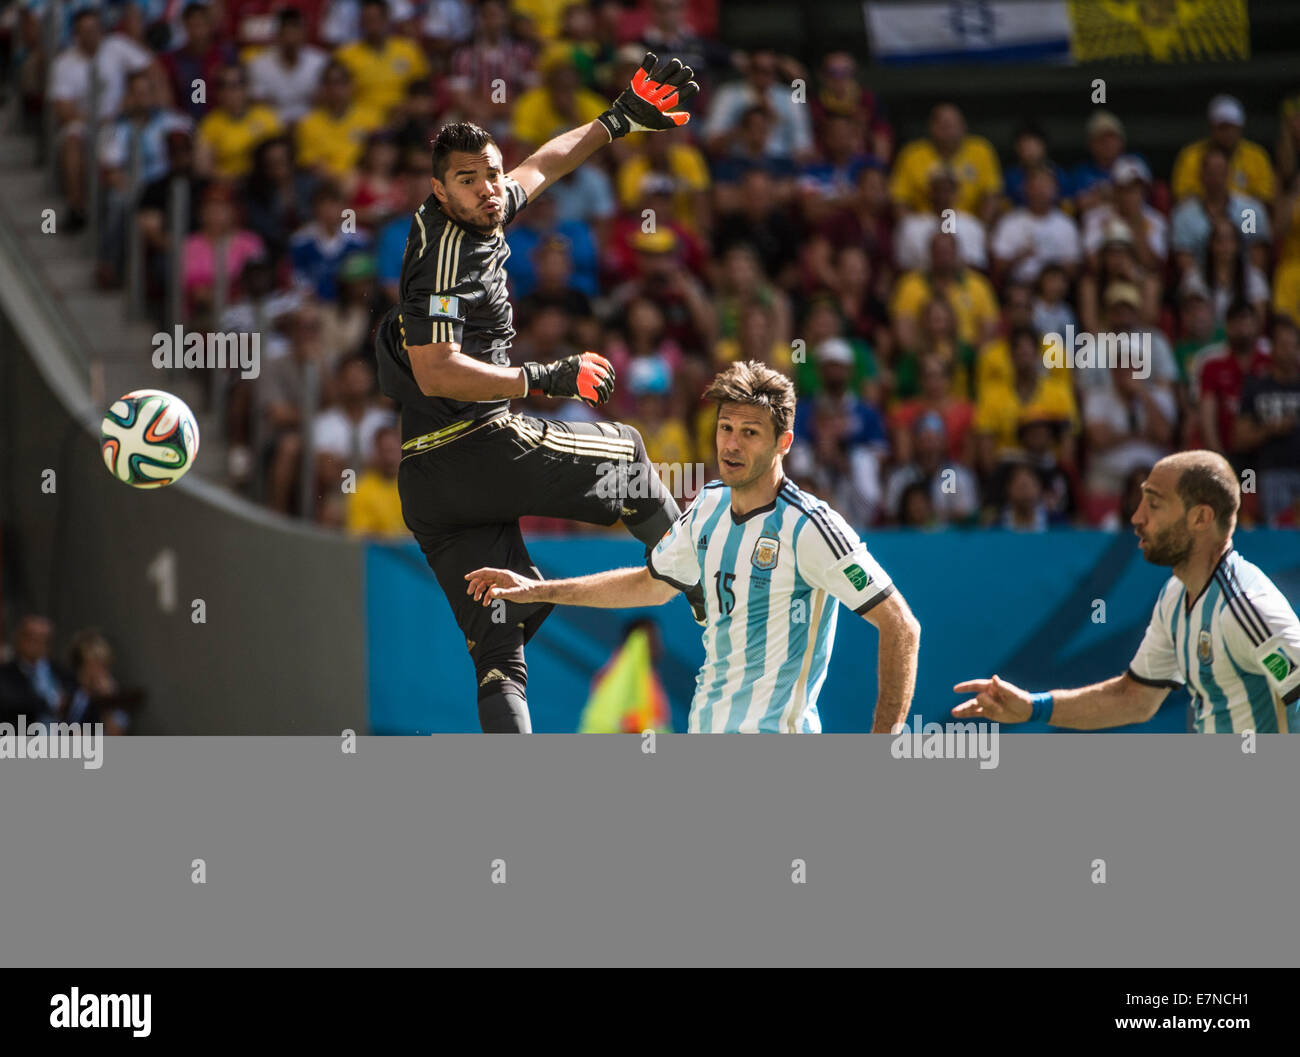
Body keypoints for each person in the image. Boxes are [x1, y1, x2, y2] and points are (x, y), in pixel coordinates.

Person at [375, 54, 706, 733]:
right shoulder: (448, 257)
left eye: (491, 173)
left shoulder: (480, 210)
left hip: (429, 487)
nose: (491, 187)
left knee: (501, 652)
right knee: (625, 454)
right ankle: (710, 592)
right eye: (469, 180)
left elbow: (541, 167)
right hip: (475, 446)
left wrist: (614, 121)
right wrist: (542, 377)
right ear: (440, 192)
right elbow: (436, 369)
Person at [466, 361, 921, 733]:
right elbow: (650, 584)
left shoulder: (810, 526)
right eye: (726, 428)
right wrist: (537, 590)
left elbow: (901, 626)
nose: (732, 443)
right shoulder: (708, 505)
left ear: (783, 443)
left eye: (750, 432)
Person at [954, 451, 1300, 733]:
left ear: (1201, 518)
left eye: (1154, 503)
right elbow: (1133, 698)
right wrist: (1033, 708)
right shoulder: (1176, 595)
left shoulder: (1247, 610)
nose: (1136, 517)